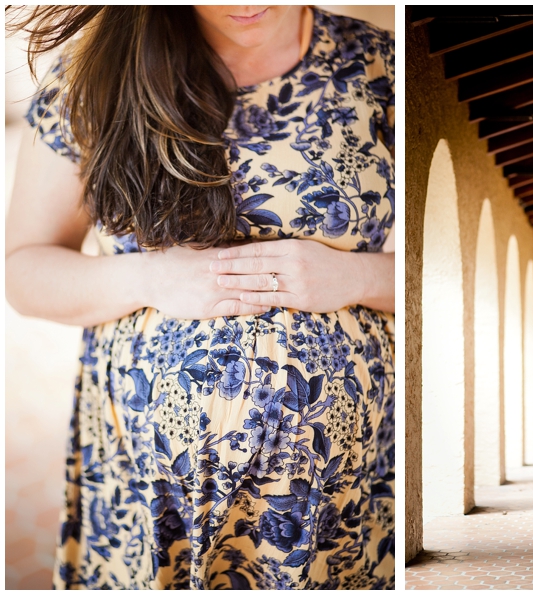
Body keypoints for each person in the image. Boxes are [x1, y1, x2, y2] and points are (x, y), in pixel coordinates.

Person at [6, 5, 395, 589]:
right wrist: (149, 280)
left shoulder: (382, 68)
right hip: (150, 496)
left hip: (334, 501)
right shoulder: (91, 75)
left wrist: (359, 277)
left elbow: (432, 276)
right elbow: (23, 272)